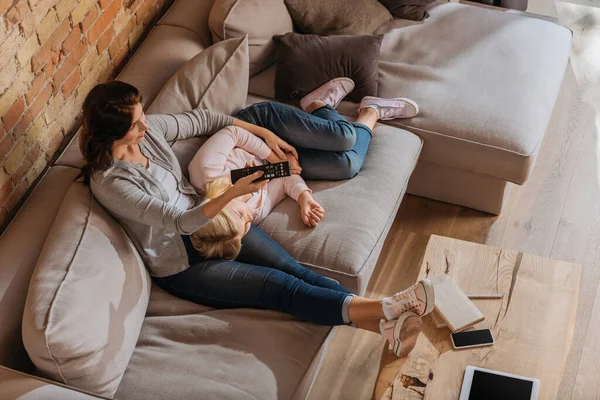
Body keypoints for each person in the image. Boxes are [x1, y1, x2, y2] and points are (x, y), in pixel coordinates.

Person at [80, 78, 433, 357]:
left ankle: (384, 324)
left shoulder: (149, 134)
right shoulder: (110, 183)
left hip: (217, 220)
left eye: (143, 116)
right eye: (136, 124)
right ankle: (390, 305)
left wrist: (263, 132)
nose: (146, 126)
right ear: (112, 134)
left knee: (297, 271)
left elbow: (205, 118)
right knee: (281, 288)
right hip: (183, 263)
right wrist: (233, 194)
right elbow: (177, 222)